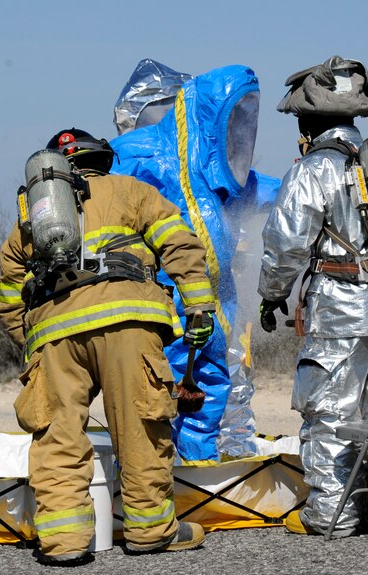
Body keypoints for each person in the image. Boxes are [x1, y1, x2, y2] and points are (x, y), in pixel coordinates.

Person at [0, 128, 214, 564]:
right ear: (102, 159)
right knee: (140, 427)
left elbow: (8, 297)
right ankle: (151, 529)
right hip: (128, 324)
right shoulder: (133, 190)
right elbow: (181, 245)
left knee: (56, 436)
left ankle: (64, 543)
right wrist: (199, 307)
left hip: (53, 332)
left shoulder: (32, 219)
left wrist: (34, 348)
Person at [257, 56, 368, 537]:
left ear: (309, 123)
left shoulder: (313, 169)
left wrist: (272, 297)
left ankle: (331, 515)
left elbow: (286, 242)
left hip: (340, 310)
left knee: (330, 413)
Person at [111, 61, 279, 461]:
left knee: (209, 385)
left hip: (215, 302)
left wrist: (309, 180)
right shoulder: (138, 152)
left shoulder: (215, 170)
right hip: (160, 297)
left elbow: (268, 191)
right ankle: (147, 480)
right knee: (156, 391)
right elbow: (102, 202)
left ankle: (196, 471)